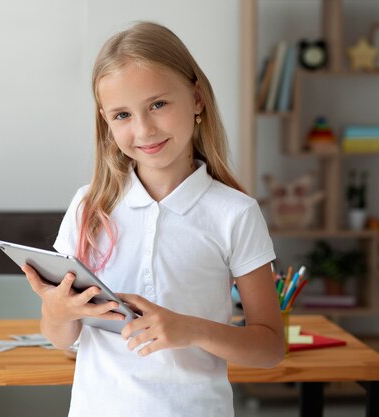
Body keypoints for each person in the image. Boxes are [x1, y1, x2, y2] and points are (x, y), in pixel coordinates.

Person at [22, 21, 284, 416]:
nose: (143, 129)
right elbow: (61, 337)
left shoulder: (236, 213)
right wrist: (56, 313)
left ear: (197, 99)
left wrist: (192, 328)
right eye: (122, 115)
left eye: (158, 104)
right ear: (107, 123)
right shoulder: (88, 206)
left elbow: (269, 348)